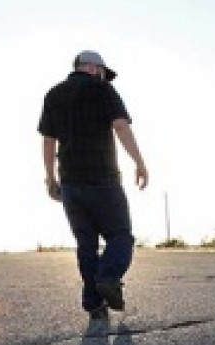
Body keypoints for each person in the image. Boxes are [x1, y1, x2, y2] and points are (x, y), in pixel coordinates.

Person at [38, 50, 149, 320]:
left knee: (86, 245)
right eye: (102, 71)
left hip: (71, 183)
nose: (103, 76)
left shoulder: (53, 94)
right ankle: (109, 277)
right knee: (120, 235)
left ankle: (94, 305)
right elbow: (121, 126)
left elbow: (48, 141)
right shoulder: (103, 89)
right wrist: (139, 162)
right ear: (92, 68)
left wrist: (51, 178)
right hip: (103, 179)